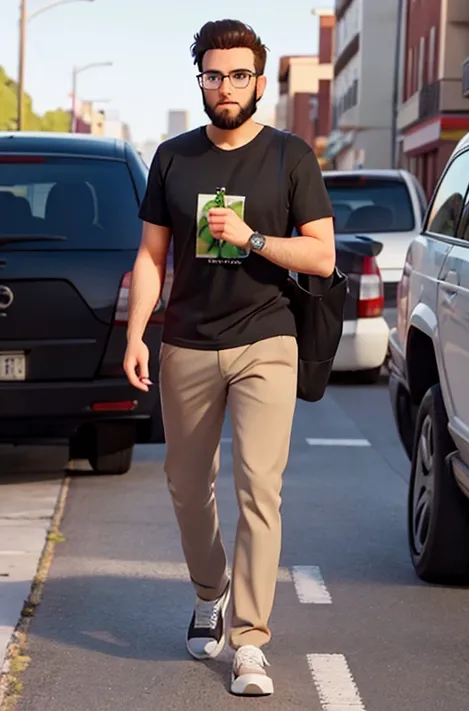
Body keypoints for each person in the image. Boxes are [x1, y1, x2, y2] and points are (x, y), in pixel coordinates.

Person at [123, 18, 335, 697]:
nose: (226, 86)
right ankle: (208, 592)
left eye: (238, 74)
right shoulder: (174, 158)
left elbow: (322, 254)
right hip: (186, 339)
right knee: (187, 487)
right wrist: (137, 333)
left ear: (259, 80)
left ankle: (248, 639)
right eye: (213, 74)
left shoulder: (290, 157)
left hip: (267, 339)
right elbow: (154, 256)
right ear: (202, 79)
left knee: (259, 490)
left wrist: (253, 238)